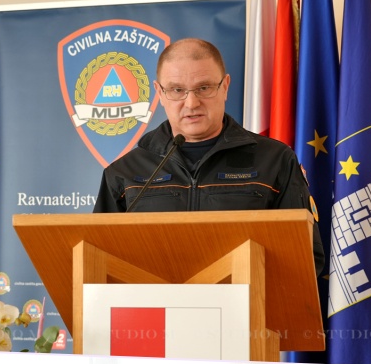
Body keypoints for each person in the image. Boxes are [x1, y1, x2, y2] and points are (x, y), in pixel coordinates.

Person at [93, 40, 323, 272]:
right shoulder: (125, 171)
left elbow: (306, 256)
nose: (192, 103)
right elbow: (98, 259)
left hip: (247, 295)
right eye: (177, 90)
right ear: (160, 93)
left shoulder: (274, 160)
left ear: (225, 87)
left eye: (204, 88)